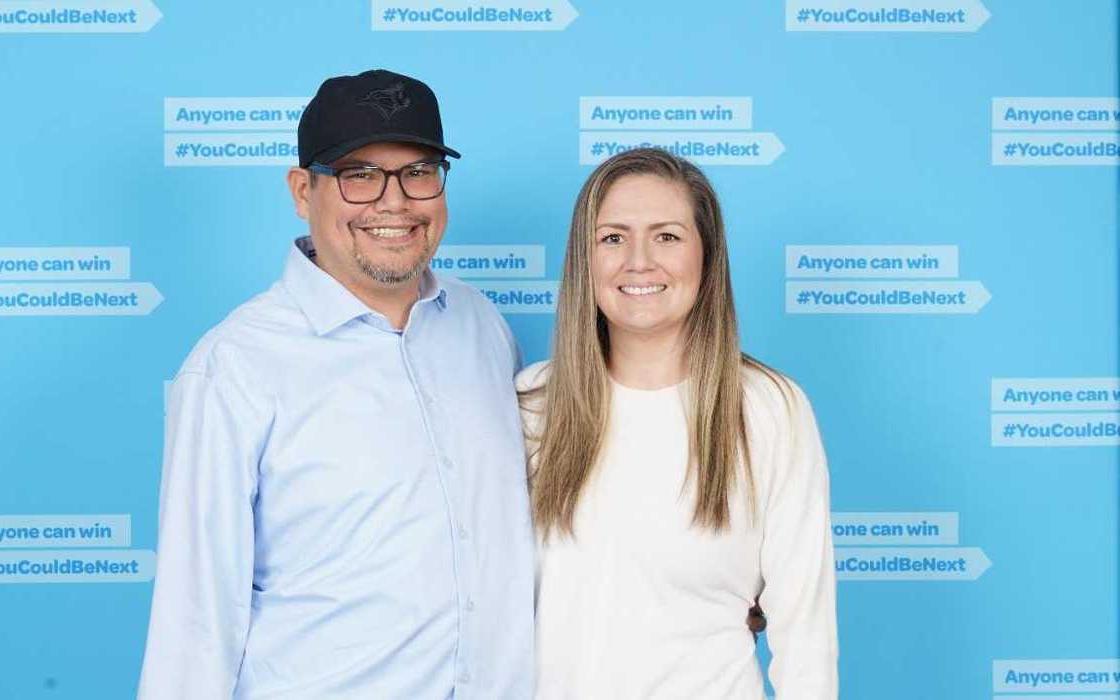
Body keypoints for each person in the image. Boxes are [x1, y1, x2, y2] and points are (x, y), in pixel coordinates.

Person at [137, 69, 534, 700]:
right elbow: (194, 618)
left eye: (419, 172)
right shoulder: (235, 367)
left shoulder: (481, 327)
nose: (395, 202)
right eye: (359, 174)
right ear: (302, 190)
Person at [518, 148, 837, 699]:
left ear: (707, 257)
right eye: (613, 238)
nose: (639, 261)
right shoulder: (530, 405)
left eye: (667, 236)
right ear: (583, 260)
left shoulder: (769, 408)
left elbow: (805, 637)